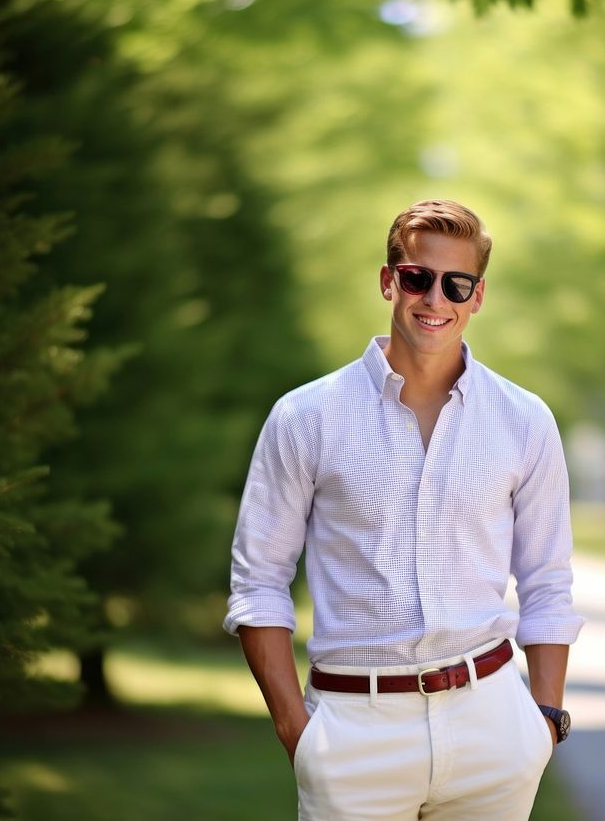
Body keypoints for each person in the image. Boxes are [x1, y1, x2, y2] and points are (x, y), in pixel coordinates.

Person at [225, 199, 584, 820]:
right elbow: (258, 581)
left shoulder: (524, 421)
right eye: (418, 277)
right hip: (353, 732)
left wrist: (544, 723)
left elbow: (548, 583)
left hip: (492, 725)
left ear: (477, 296)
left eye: (456, 283)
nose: (434, 299)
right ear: (390, 281)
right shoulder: (306, 418)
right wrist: (295, 729)